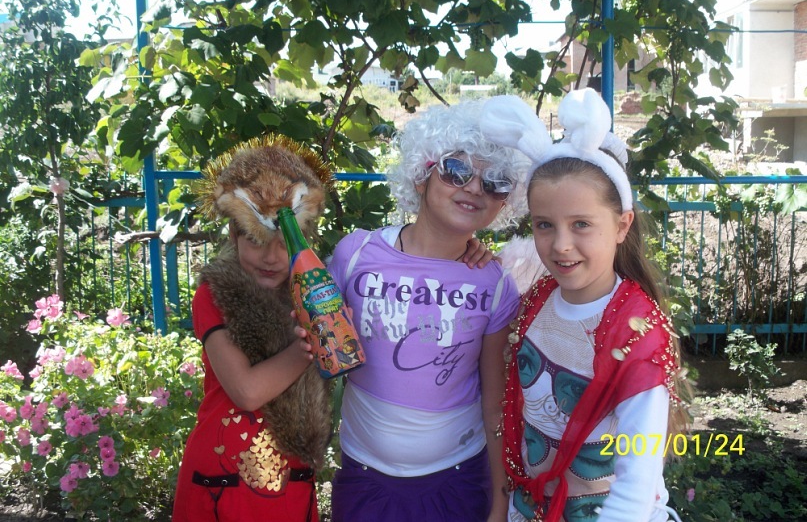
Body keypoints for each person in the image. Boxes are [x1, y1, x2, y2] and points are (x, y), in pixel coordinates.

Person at [480, 90, 690, 522]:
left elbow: (636, 486)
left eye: (581, 224)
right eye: (544, 225)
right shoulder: (537, 299)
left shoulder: (635, 333)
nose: (560, 245)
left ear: (622, 225)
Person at [327, 99, 532, 522]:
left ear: (503, 202)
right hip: (364, 478)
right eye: (456, 170)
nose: (473, 188)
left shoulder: (493, 283)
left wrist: (500, 502)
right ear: (422, 176)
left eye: (494, 182)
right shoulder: (355, 254)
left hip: (458, 482)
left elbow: (494, 402)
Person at [172, 135, 335, 522]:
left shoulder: (314, 290)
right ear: (234, 235)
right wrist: (308, 346)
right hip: (224, 475)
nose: (270, 258)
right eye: (255, 241)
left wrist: (466, 249)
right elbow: (246, 391)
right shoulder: (215, 294)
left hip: (291, 477)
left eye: (284, 243)